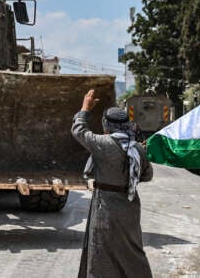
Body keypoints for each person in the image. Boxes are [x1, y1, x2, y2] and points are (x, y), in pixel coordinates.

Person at [71, 89, 153, 278]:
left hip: (105, 206)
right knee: (131, 249)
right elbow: (147, 175)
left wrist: (85, 108)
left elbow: (78, 130)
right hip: (130, 206)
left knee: (102, 250)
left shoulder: (102, 143)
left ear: (106, 125)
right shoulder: (138, 149)